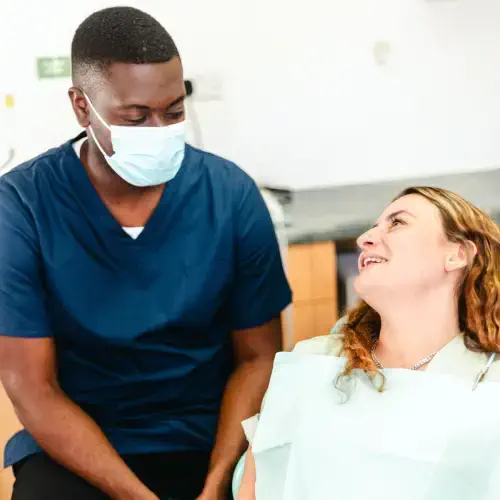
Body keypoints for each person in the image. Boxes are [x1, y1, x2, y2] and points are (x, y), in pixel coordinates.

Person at [0, 7, 291, 500]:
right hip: (80, 446)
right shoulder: (23, 206)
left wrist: (219, 482)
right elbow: (32, 388)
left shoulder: (230, 195)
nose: (159, 129)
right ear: (81, 106)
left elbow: (259, 358)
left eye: (174, 111)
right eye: (135, 117)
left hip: (213, 439)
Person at [237, 186, 500, 500]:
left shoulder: (489, 380)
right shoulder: (314, 360)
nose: (365, 238)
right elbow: (254, 486)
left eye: (397, 223)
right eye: (374, 227)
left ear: (457, 254)